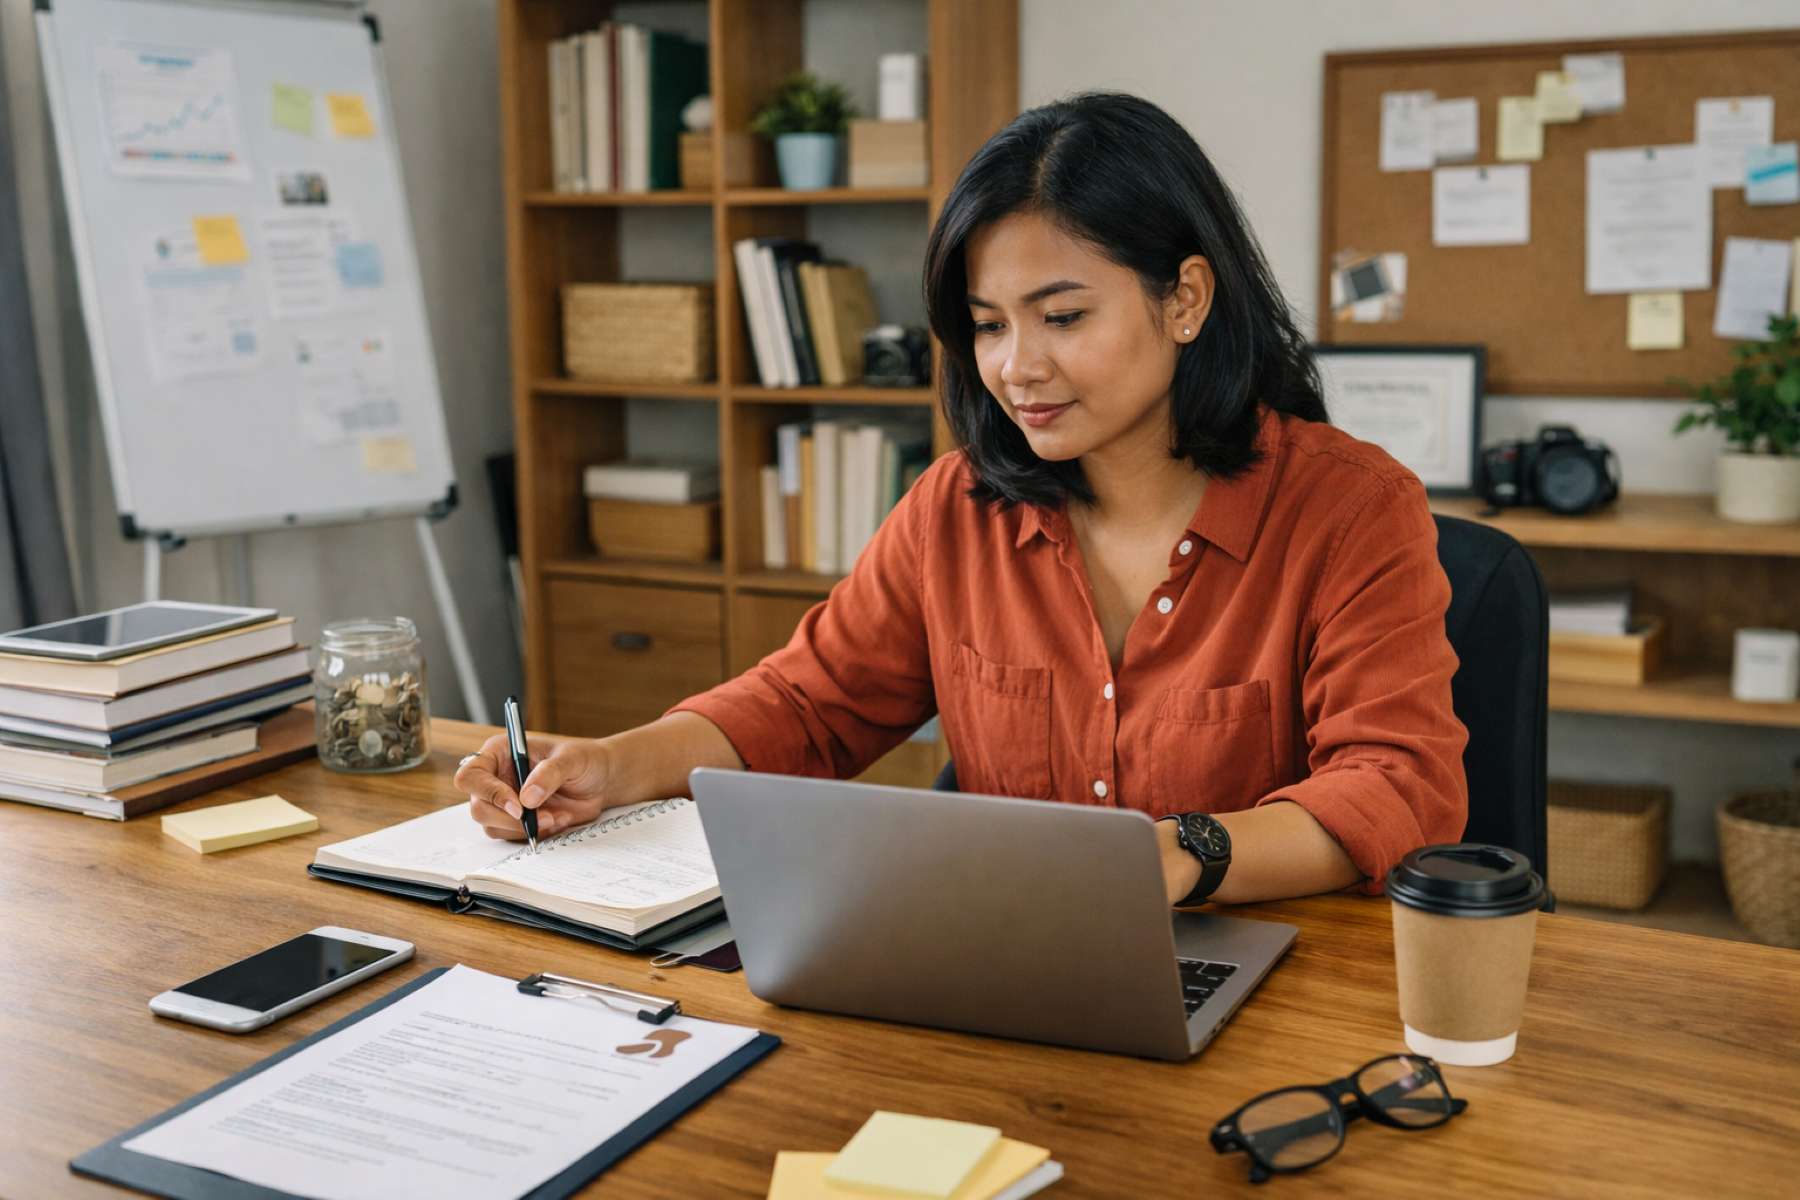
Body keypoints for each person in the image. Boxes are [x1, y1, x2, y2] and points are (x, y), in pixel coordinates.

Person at [457, 91, 1468, 906]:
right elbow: (808, 706)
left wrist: (1181, 853)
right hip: (1013, 972)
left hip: (1285, 987)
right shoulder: (958, 509)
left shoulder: (1352, 510)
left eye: (1062, 315)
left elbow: (1394, 784)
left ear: (1186, 300)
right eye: (988, 325)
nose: (1017, 367)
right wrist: (612, 768)